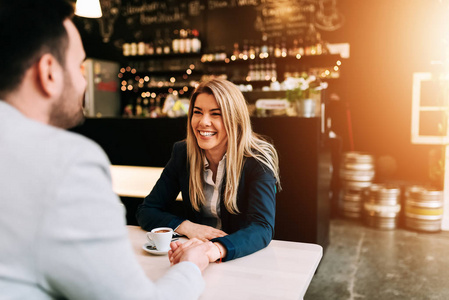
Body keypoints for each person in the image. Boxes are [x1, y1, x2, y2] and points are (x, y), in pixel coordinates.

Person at [0, 1, 213, 299]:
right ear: (49, 72)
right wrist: (192, 264)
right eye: (78, 67)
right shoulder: (66, 162)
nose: (84, 81)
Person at [137, 78, 281, 262]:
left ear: (235, 119)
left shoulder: (258, 159)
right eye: (198, 112)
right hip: (192, 253)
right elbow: (147, 210)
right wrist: (187, 227)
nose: (204, 122)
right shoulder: (183, 153)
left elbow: (262, 227)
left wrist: (214, 249)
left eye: (216, 114)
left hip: (240, 256)